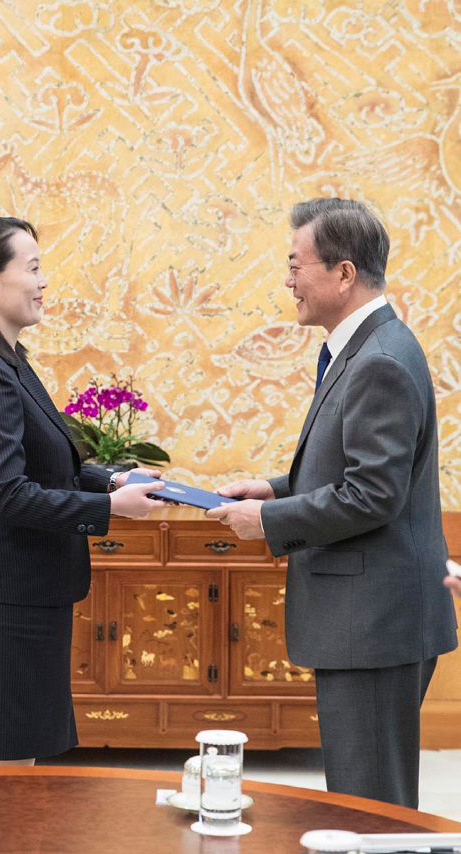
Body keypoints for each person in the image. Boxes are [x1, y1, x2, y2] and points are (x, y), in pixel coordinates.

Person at [207, 198, 458, 808]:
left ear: (344, 274)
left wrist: (267, 520)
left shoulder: (380, 361)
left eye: (297, 265)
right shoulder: (367, 347)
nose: (287, 280)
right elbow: (353, 471)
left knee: (370, 807)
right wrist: (274, 488)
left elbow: (372, 495)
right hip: (368, 618)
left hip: (372, 622)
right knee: (365, 798)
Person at [0, 215, 164, 766]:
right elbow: (8, 496)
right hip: (3, 604)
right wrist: (109, 507)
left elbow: (42, 464)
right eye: (33, 268)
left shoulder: (10, 361)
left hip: (23, 598)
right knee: (4, 773)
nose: (43, 282)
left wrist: (112, 478)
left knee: (14, 767)